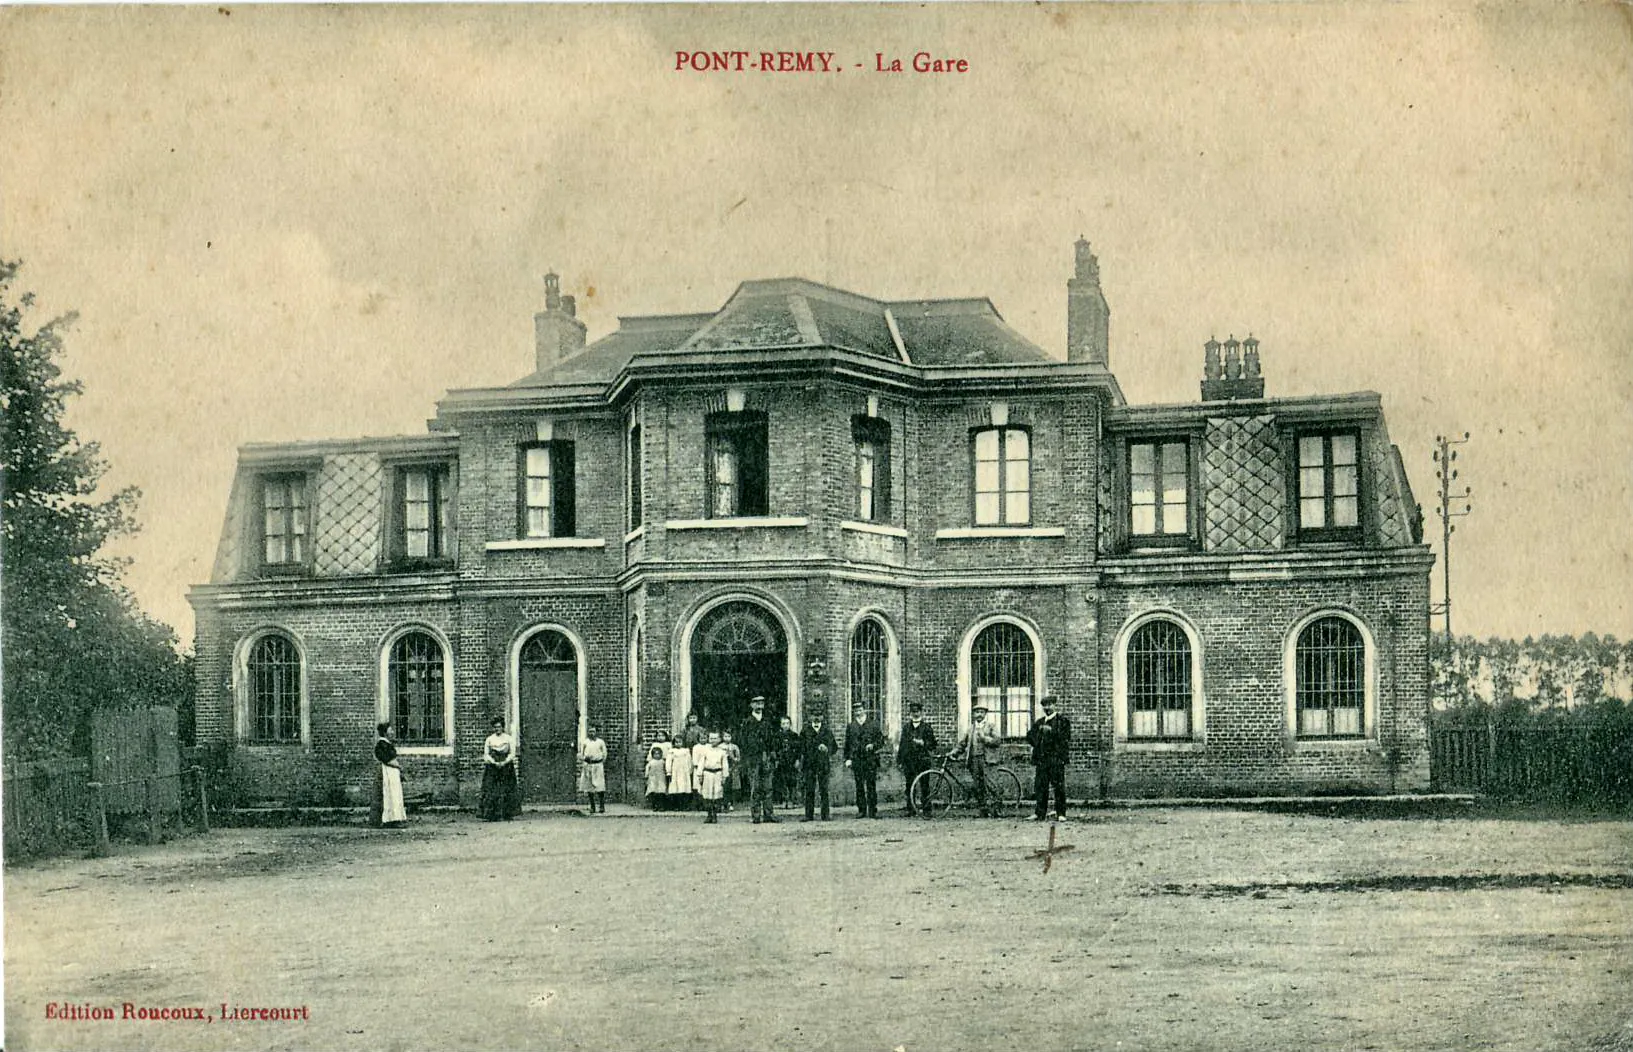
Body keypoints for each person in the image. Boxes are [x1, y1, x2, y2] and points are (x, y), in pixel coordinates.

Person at [1027, 694, 1072, 822]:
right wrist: (1039, 734)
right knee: (1041, 787)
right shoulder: (1039, 722)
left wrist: (1050, 732)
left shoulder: (1063, 721)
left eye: (1049, 705)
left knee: (1058, 786)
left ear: (1054, 705)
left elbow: (1065, 738)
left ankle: (1061, 813)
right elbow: (1030, 737)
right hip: (1041, 760)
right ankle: (1040, 813)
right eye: (1044, 706)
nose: (1047, 708)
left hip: (1056, 760)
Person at [738, 695, 779, 824]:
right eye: (756, 703)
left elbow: (772, 739)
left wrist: (772, 755)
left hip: (766, 757)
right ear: (751, 705)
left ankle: (768, 814)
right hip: (753, 759)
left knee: (767, 787)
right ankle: (755, 815)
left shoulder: (768, 721)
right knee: (755, 787)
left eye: (761, 703)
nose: (759, 706)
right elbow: (743, 741)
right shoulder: (747, 722)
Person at [956, 704, 1002, 817]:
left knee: (991, 785)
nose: (979, 714)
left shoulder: (991, 726)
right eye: (977, 712)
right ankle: (983, 809)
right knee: (978, 786)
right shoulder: (971, 729)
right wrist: (954, 753)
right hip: (974, 760)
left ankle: (997, 810)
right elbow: (962, 744)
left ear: (985, 714)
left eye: (982, 712)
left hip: (987, 760)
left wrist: (984, 738)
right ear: (974, 714)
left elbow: (997, 740)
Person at [843, 703, 886, 819]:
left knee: (871, 785)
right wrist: (847, 758)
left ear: (864, 710)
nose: (858, 712)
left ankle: (873, 810)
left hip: (870, 759)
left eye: (860, 710)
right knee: (859, 786)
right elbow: (847, 744)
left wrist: (873, 745)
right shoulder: (851, 726)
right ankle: (861, 810)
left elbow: (881, 740)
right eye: (856, 711)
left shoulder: (873, 724)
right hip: (857, 760)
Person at [897, 702, 938, 816]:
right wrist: (900, 760)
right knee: (909, 785)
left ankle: (926, 810)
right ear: (910, 713)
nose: (915, 714)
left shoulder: (926, 727)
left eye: (917, 711)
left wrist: (923, 743)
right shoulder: (906, 728)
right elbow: (902, 745)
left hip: (923, 760)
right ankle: (911, 809)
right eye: (913, 712)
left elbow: (933, 744)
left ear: (921, 712)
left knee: (924, 785)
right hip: (909, 761)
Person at [478, 716, 521, 821]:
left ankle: (507, 813)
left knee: (506, 788)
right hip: (492, 768)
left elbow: (512, 753)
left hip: (506, 767)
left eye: (499, 727)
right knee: (491, 789)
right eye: (495, 727)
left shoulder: (508, 738)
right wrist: (493, 762)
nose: (497, 729)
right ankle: (490, 814)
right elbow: (486, 754)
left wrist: (505, 762)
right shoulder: (490, 739)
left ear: (502, 727)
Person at [800, 711, 838, 822]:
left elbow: (834, 747)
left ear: (822, 717)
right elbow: (800, 746)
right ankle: (808, 815)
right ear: (810, 717)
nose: (816, 718)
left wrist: (827, 748)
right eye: (814, 716)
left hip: (823, 765)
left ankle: (825, 815)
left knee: (824, 790)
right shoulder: (805, 731)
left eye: (819, 716)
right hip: (809, 765)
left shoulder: (827, 731)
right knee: (809, 789)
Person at [693, 729, 730, 824]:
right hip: (707, 774)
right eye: (711, 738)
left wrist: (724, 776)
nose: (713, 740)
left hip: (717, 774)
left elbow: (725, 765)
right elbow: (701, 763)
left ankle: (715, 815)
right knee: (707, 795)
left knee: (717, 794)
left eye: (715, 738)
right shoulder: (705, 751)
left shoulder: (722, 752)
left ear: (719, 739)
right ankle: (709, 815)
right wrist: (700, 774)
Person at [375, 721, 407, 828]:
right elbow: (386, 760)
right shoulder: (382, 744)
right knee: (389, 795)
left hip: (392, 773)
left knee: (395, 795)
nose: (392, 732)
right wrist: (398, 767)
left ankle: (395, 818)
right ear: (385, 732)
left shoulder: (387, 744)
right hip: (387, 772)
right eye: (390, 730)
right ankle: (388, 819)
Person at [578, 724, 608, 814]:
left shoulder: (600, 742)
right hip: (588, 765)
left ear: (596, 732)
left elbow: (604, 754)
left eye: (593, 731)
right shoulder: (585, 742)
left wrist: (600, 761)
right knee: (590, 787)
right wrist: (585, 759)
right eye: (590, 731)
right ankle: (592, 806)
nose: (592, 733)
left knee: (600, 786)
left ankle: (602, 806)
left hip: (598, 765)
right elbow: (581, 754)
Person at [665, 728, 695, 810]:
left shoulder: (686, 751)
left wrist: (690, 770)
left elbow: (689, 761)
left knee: (684, 787)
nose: (678, 744)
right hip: (675, 772)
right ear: (674, 743)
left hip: (684, 772)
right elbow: (668, 762)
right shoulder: (672, 751)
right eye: (676, 742)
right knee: (676, 787)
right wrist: (669, 772)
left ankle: (684, 805)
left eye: (680, 742)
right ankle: (676, 805)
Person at [775, 715, 801, 808]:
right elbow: (775, 748)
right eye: (783, 723)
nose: (785, 725)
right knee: (782, 781)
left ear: (790, 724)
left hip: (792, 761)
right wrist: (776, 760)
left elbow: (798, 749)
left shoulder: (794, 736)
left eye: (787, 723)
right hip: (782, 761)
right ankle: (784, 800)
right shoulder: (777, 736)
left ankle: (791, 800)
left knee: (792, 781)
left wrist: (797, 759)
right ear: (781, 725)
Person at [644, 736, 670, 810]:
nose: (657, 756)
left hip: (661, 778)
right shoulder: (651, 762)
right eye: (655, 754)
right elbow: (647, 769)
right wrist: (646, 775)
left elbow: (666, 769)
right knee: (654, 791)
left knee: (661, 792)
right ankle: (655, 806)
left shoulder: (662, 762)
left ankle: (661, 806)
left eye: (658, 754)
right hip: (653, 779)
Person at [720, 730, 742, 812]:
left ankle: (731, 803)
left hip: (733, 768)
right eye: (725, 736)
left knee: (733, 787)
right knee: (724, 786)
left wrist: (732, 756)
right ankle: (723, 803)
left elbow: (738, 759)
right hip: (723, 768)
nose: (727, 738)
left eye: (729, 736)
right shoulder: (720, 746)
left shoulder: (734, 747)